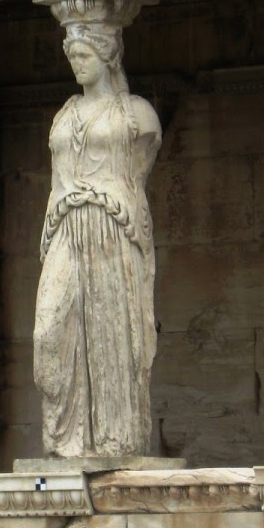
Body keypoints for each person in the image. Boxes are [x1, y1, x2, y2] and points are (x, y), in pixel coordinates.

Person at [33, 23, 162, 457]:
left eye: (84, 55)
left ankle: (114, 439)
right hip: (65, 225)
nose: (76, 64)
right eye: (72, 56)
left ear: (107, 56)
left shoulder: (137, 115)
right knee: (49, 330)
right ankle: (65, 439)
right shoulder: (65, 113)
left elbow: (138, 171)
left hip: (112, 224)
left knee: (112, 332)